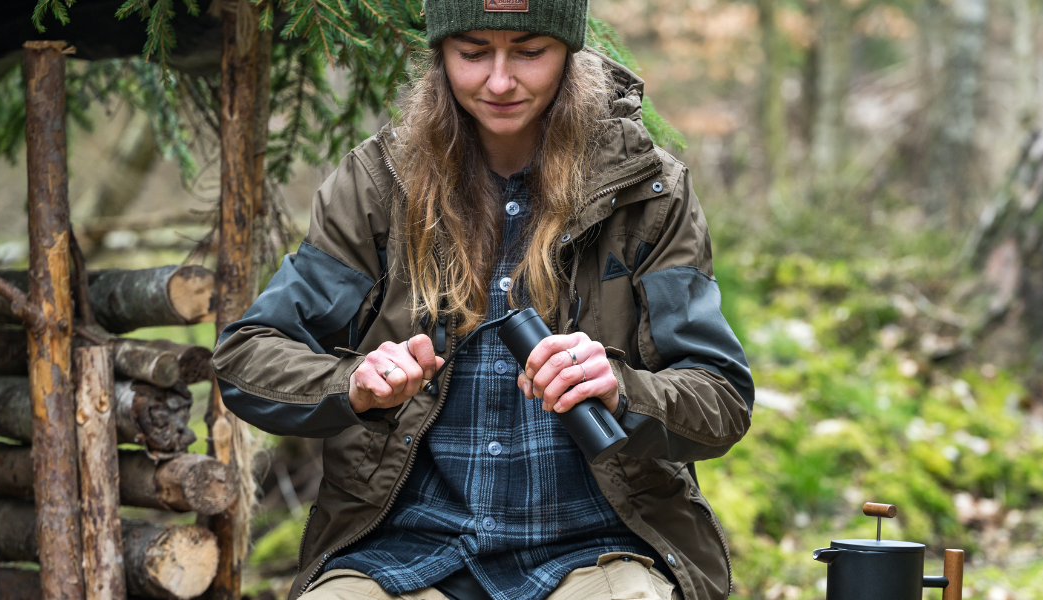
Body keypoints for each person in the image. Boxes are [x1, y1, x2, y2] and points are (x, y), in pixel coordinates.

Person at [210, 0, 753, 597]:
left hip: (603, 547)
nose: (499, 80)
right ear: (441, 54)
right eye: (472, 53)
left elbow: (721, 397)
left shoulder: (648, 194)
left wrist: (622, 391)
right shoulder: (375, 186)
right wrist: (354, 385)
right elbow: (246, 354)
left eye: (529, 51)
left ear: (569, 52)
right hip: (399, 548)